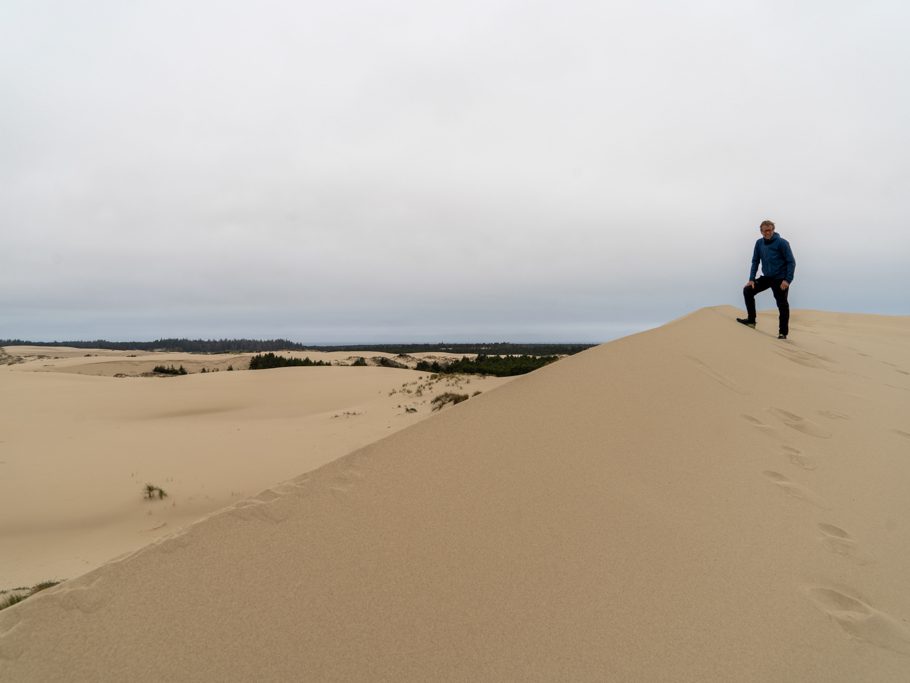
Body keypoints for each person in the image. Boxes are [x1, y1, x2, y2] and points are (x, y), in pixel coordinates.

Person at [736, 220, 796, 339]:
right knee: (748, 290)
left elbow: (791, 262)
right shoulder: (759, 243)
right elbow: (755, 261)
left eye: (770, 230)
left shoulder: (782, 243)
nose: (767, 232)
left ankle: (783, 333)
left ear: (773, 230)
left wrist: (787, 280)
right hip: (767, 277)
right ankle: (751, 321)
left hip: (780, 279)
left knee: (782, 305)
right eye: (765, 231)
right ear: (761, 231)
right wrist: (752, 279)